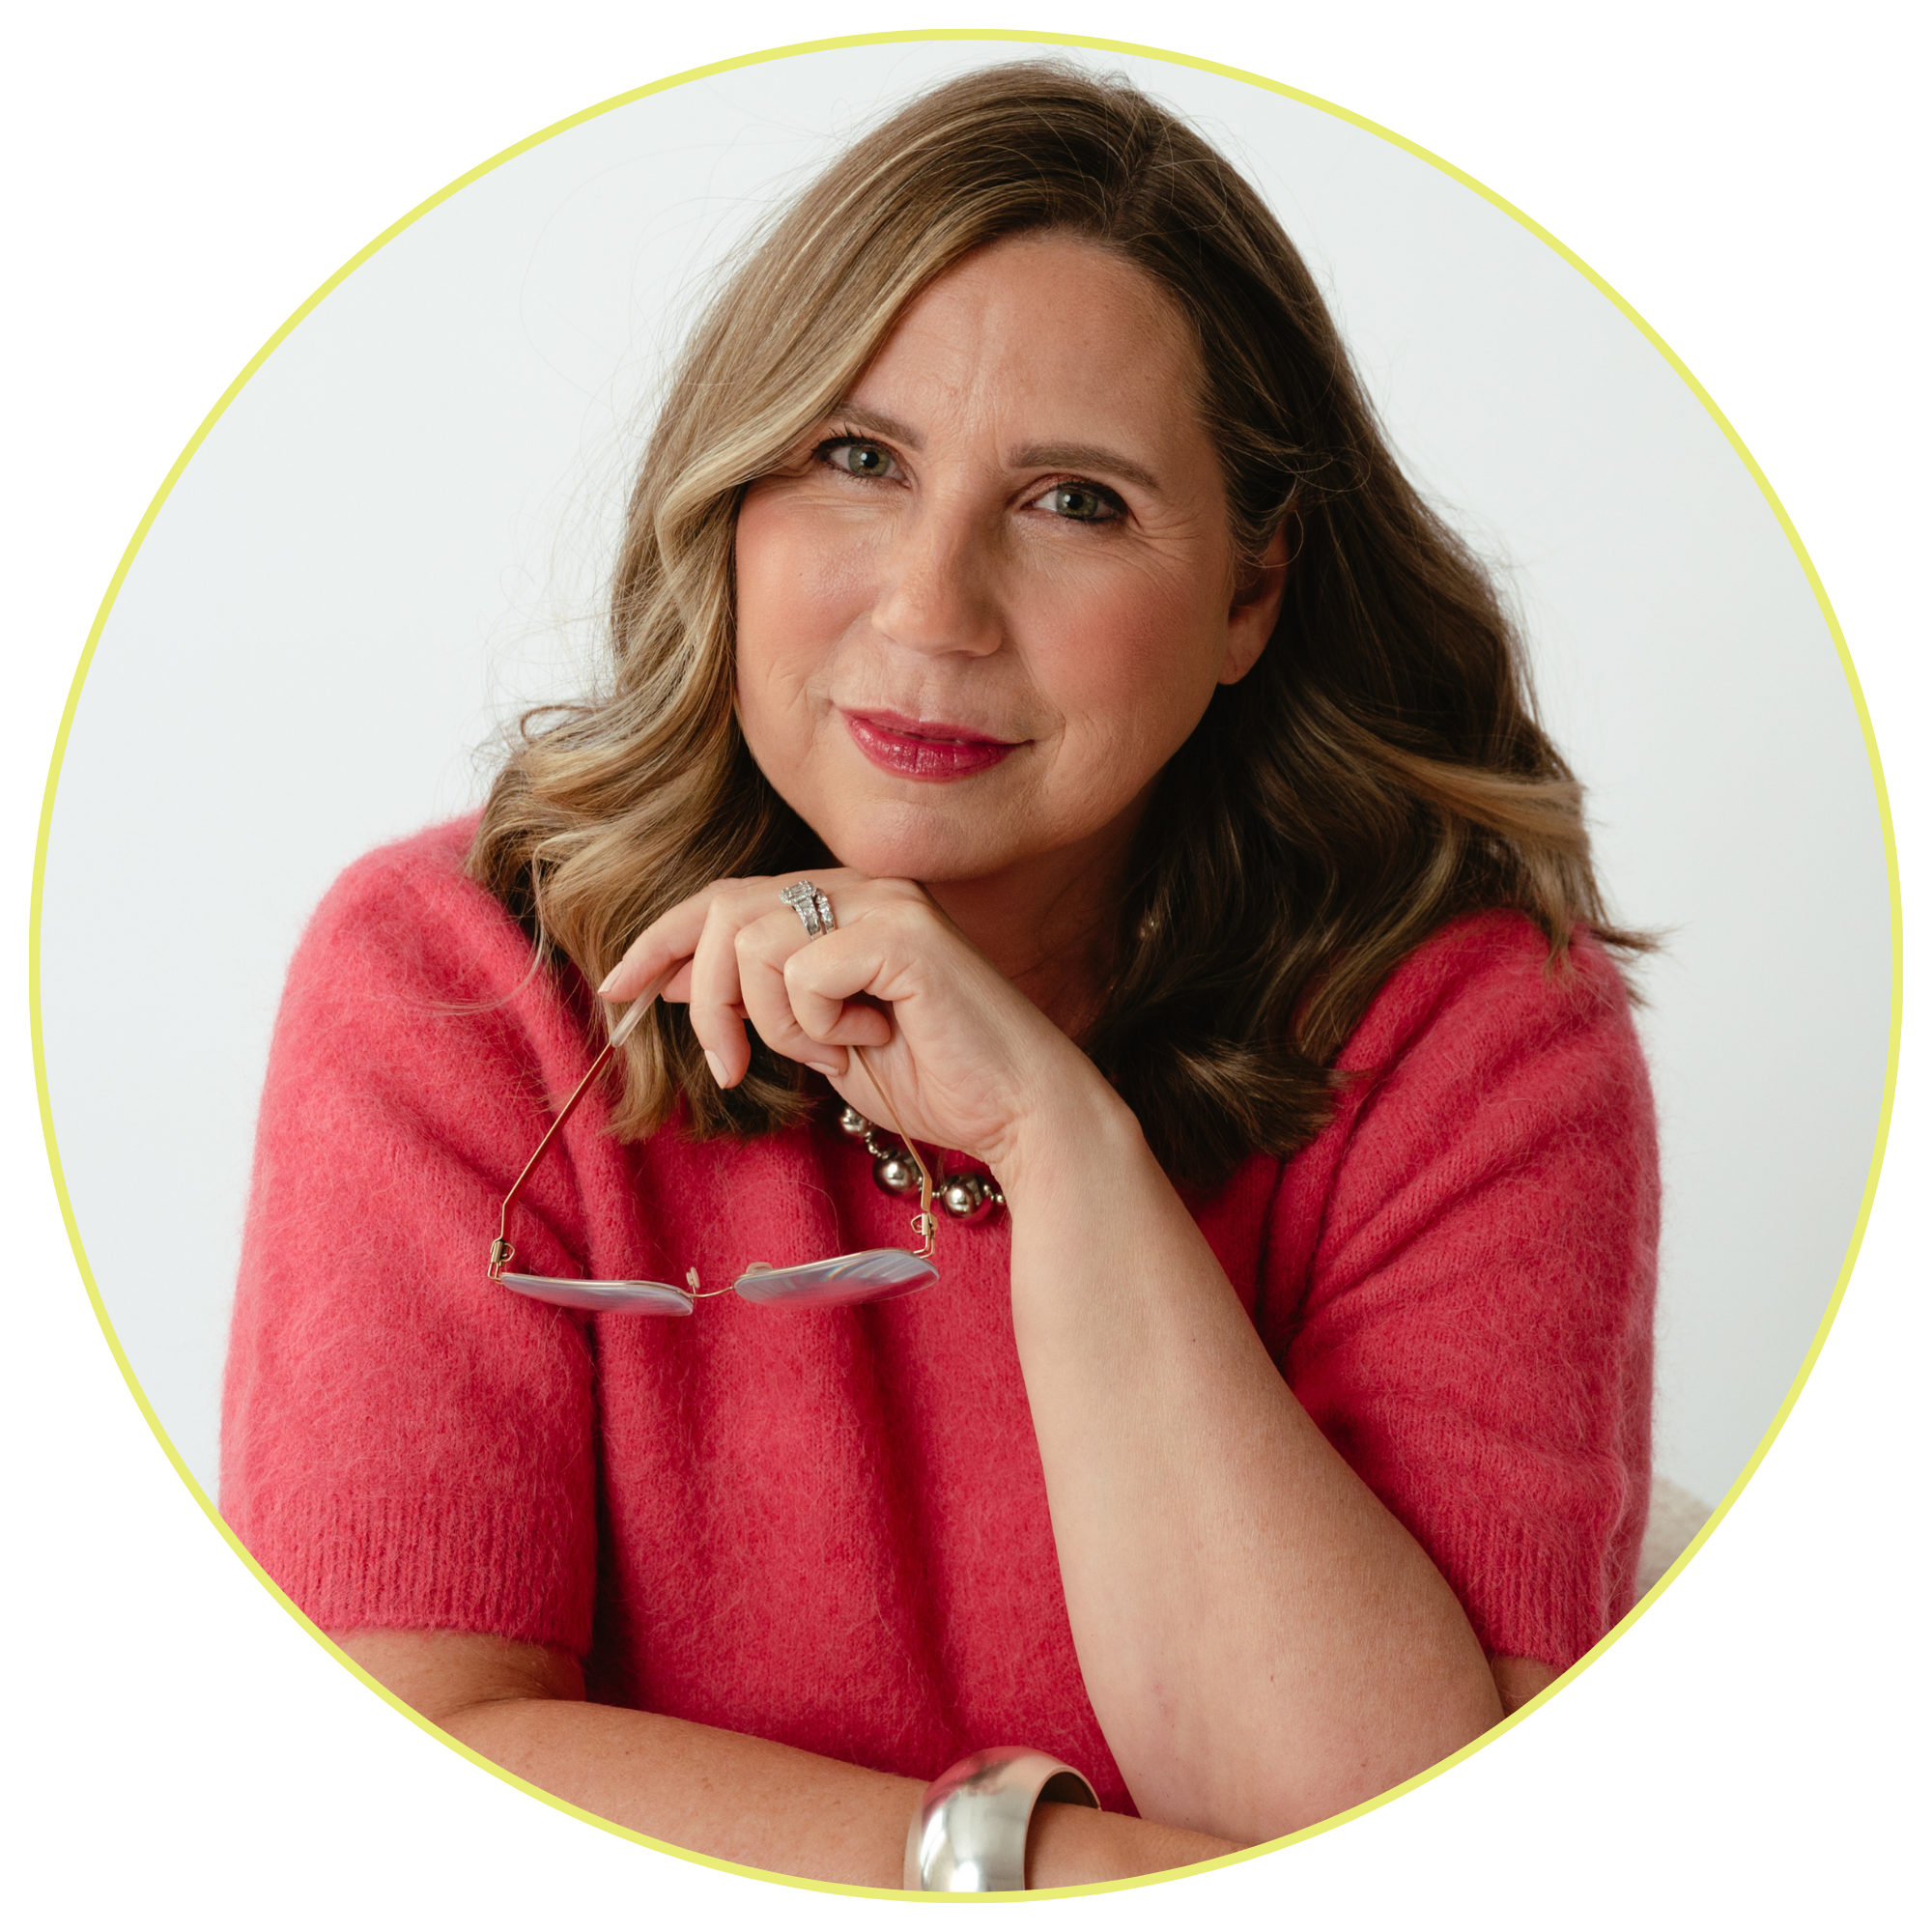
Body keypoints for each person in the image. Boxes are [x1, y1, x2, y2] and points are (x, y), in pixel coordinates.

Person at [220, 62, 1658, 1890]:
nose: (929, 608)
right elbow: (393, 1787)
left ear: (1250, 593)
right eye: (857, 459)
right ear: (733, 493)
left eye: (1074, 501)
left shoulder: (1469, 1036)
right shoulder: (457, 984)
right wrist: (1023, 1874)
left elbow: (1412, 1855)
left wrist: (1061, 1145)